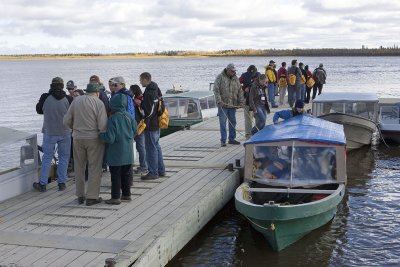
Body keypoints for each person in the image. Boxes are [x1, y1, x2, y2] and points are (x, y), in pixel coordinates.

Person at [63, 83, 108, 206]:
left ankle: (80, 195)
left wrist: (75, 129)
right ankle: (92, 197)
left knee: (79, 167)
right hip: (93, 138)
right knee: (94, 167)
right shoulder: (99, 103)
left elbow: (66, 120)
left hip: (77, 137)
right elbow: (102, 125)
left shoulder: (76, 101)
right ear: (97, 93)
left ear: (87, 91)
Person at [34, 77, 72, 192]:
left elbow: (39, 110)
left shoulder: (45, 97)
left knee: (47, 158)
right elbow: (72, 114)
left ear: (51, 85)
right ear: (62, 85)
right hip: (65, 132)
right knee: (64, 158)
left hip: (49, 132)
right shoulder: (69, 98)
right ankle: (61, 183)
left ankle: (43, 184)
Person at [100, 93, 137, 205]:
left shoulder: (113, 119)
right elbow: (135, 131)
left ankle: (115, 197)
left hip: (116, 152)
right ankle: (127, 194)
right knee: (126, 174)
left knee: (115, 175)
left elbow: (110, 138)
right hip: (128, 150)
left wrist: (101, 135)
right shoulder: (130, 116)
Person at [139, 72, 165, 180]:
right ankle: (160, 170)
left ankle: (153, 172)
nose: (140, 82)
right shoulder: (156, 89)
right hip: (156, 123)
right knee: (156, 147)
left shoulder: (149, 93)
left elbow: (149, 111)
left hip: (150, 124)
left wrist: (144, 119)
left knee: (150, 149)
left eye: (141, 80)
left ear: (146, 79)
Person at [213, 63, 244, 146]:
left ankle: (232, 139)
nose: (233, 72)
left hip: (232, 105)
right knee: (223, 123)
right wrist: (219, 100)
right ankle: (223, 140)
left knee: (233, 122)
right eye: (232, 71)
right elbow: (216, 89)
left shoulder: (236, 79)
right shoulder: (220, 77)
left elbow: (240, 90)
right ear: (228, 70)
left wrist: (241, 102)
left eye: (234, 71)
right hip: (223, 105)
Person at [130, 84, 148, 174]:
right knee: (141, 147)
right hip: (142, 125)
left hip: (135, 126)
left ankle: (142, 166)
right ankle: (144, 165)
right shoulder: (142, 99)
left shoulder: (133, 102)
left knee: (138, 147)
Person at [239, 65, 259, 139]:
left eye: (253, 74)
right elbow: (237, 83)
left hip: (257, 100)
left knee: (258, 116)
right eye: (251, 73)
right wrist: (244, 88)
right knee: (248, 118)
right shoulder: (244, 75)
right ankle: (248, 133)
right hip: (247, 99)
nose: (252, 75)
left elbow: (264, 84)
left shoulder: (259, 75)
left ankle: (257, 131)